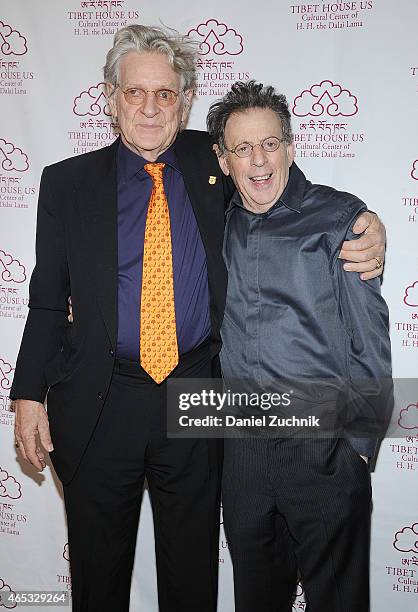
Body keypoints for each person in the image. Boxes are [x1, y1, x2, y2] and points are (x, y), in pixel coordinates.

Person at [10, 25, 385, 612]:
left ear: (184, 101)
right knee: (98, 577)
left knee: (192, 579)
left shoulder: (214, 161)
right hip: (99, 400)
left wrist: (368, 225)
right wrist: (29, 394)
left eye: (165, 94)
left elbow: (285, 195)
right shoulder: (66, 182)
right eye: (135, 93)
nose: (150, 107)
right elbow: (48, 301)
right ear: (111, 98)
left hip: (195, 396)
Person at [207, 80, 392, 612]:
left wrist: (357, 446)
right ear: (224, 158)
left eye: (270, 143)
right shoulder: (212, 222)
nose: (258, 160)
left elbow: (370, 340)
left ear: (291, 146)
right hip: (242, 453)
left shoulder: (339, 219)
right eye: (242, 148)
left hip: (326, 448)